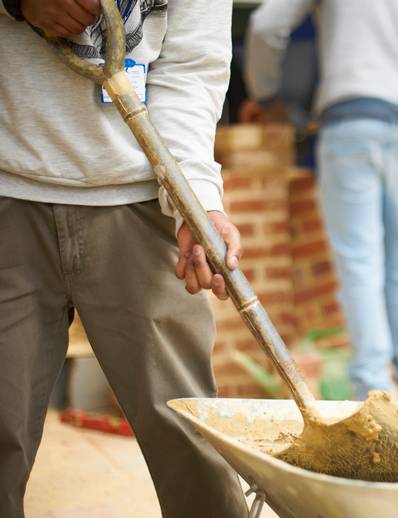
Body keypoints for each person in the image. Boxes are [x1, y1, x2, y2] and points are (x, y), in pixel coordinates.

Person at [0, 1, 248, 516]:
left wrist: (195, 200)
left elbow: (190, 68)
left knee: (192, 443)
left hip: (138, 201)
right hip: (8, 187)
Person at [245, 0, 398, 401]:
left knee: (359, 260)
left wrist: (265, 94)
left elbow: (265, 24)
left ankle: (374, 387)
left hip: (353, 119)